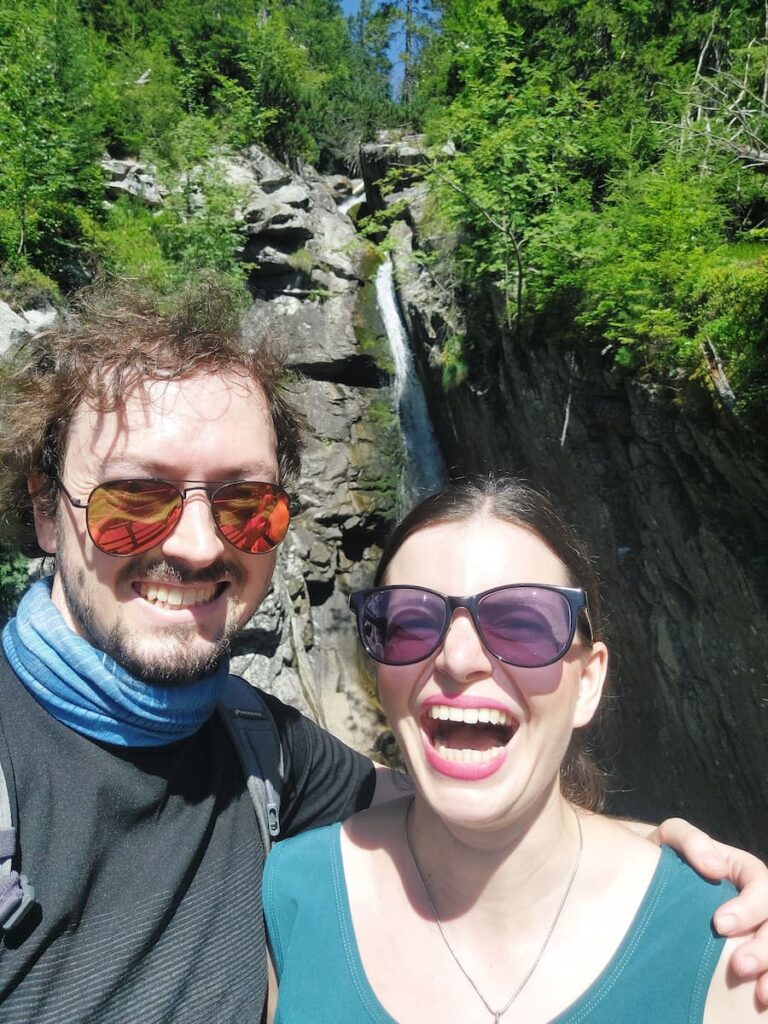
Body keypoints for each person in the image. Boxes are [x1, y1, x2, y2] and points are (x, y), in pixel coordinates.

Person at [0, 283, 764, 1024]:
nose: (198, 545)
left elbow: (469, 797)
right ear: (45, 506)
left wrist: (665, 853)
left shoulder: (266, 754)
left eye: (245, 504)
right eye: (135, 499)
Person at [264, 477, 767, 1022]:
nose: (458, 659)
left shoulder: (722, 942)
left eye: (523, 624)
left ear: (589, 682)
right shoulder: (290, 898)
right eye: (409, 622)